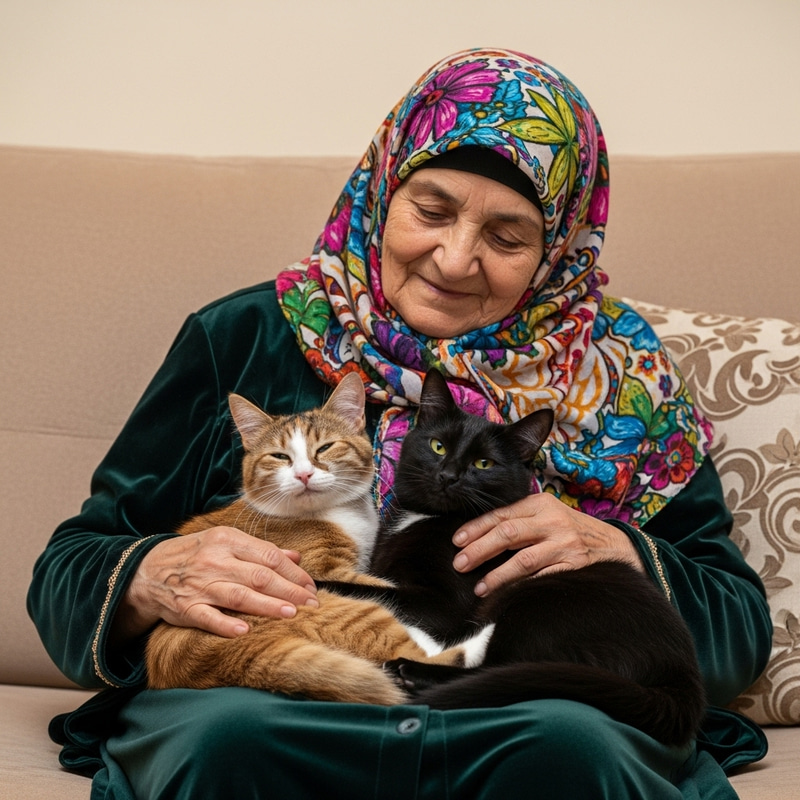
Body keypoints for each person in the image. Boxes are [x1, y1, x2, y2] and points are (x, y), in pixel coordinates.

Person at [28, 47, 771, 799]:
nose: (455, 259)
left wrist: (620, 549)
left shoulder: (623, 374)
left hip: (522, 707)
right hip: (276, 699)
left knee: (571, 747)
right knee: (227, 740)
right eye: (432, 212)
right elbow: (71, 569)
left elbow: (738, 630)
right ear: (383, 192)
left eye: (507, 238)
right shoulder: (244, 335)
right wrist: (154, 576)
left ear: (557, 252)